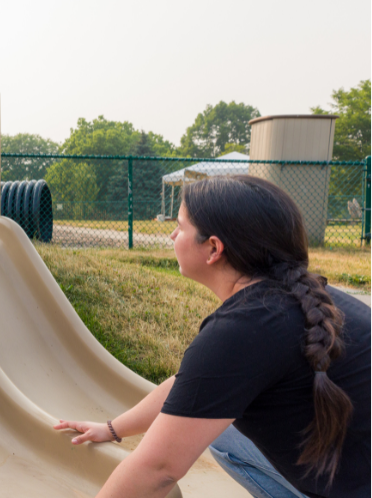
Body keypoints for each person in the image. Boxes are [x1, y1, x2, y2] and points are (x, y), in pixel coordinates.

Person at [54, 175, 370, 498]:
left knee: (220, 435)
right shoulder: (314, 298)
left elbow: (158, 470)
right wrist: (113, 429)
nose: (172, 234)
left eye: (180, 226)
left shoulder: (241, 330)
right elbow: (194, 388)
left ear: (214, 248)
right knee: (223, 434)